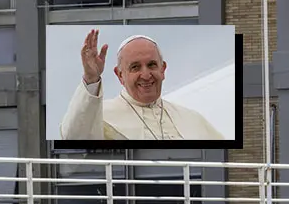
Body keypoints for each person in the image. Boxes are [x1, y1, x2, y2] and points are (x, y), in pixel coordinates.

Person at [59, 30, 225, 140]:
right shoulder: (101, 116)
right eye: (135, 67)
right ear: (120, 75)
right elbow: (73, 137)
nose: (146, 75)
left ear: (163, 69)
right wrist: (91, 77)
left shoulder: (192, 119)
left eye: (152, 65)